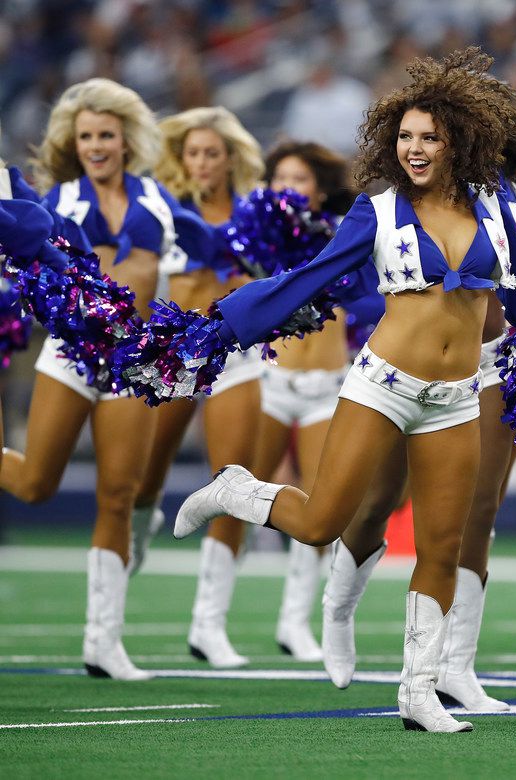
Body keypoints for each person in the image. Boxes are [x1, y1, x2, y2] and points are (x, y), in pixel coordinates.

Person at [172, 51, 516, 733]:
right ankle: (238, 491)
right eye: (405, 136)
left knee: (442, 547)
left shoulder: (497, 212)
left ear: (461, 142)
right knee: (324, 521)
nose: (413, 149)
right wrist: (219, 330)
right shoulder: (379, 209)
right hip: (381, 385)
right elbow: (308, 279)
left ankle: (418, 692)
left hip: (456, 395)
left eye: (429, 138)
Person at [317, 58, 516, 709]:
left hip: (490, 364)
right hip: (401, 367)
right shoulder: (407, 201)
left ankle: (453, 667)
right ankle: (338, 608)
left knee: (474, 514)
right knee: (377, 501)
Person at [2, 78, 207, 680]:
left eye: (106, 135)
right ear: (74, 141)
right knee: (36, 484)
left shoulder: (162, 200)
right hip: (70, 355)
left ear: (126, 140)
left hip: (133, 363)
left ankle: (103, 642)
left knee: (119, 496)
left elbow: (215, 247)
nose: (95, 145)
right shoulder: (56, 201)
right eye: (85, 135)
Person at [126, 106, 265, 669]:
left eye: (214, 153)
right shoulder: (163, 208)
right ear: (181, 158)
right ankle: (131, 545)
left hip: (235, 352)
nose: (204, 163)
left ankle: (209, 625)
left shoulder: (257, 212)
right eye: (195, 153)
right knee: (142, 477)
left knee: (232, 482)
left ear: (231, 158)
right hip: (175, 350)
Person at [248, 140, 365, 664]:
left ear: (318, 189)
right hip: (270, 380)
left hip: (325, 384)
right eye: (279, 179)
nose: (287, 190)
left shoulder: (343, 234)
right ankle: (209, 622)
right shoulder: (255, 232)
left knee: (320, 505)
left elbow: (367, 296)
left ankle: (293, 621)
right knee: (238, 486)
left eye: (298, 180)